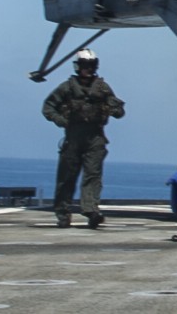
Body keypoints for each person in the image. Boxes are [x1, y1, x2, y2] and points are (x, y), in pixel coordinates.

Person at [40, 48, 124, 228]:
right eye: (85, 66)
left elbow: (118, 108)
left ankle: (91, 210)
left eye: (90, 66)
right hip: (73, 137)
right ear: (78, 67)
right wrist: (62, 121)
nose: (88, 69)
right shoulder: (67, 87)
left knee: (93, 175)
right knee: (66, 177)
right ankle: (63, 213)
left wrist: (114, 109)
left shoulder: (102, 87)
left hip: (95, 137)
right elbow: (48, 107)